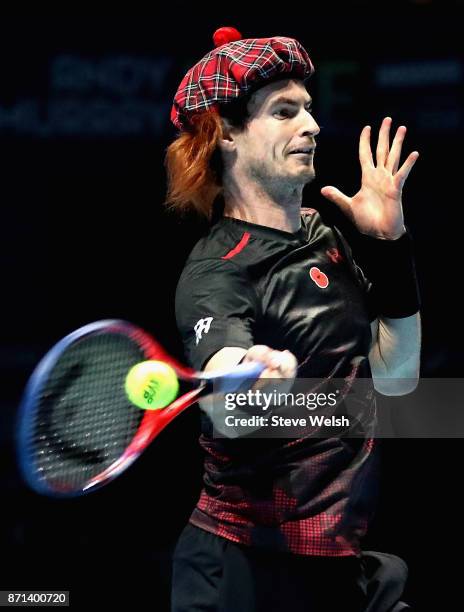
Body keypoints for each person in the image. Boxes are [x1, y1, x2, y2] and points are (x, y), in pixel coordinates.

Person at [166, 27, 421, 612]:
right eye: (284, 112)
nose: (311, 126)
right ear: (225, 133)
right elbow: (224, 397)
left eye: (308, 109)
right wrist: (250, 374)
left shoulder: (323, 232)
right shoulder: (215, 272)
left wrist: (390, 248)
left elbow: (398, 375)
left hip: (340, 567)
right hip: (245, 573)